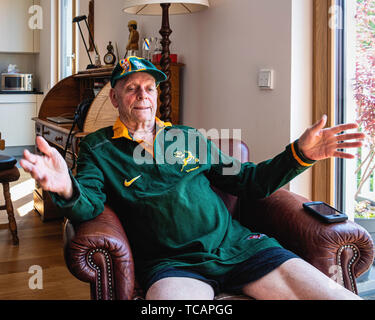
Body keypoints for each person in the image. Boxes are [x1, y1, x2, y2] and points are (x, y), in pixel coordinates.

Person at [21, 56, 365, 300]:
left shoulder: (189, 137)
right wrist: (66, 187)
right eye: (131, 88)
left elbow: (250, 181)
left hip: (241, 248)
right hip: (171, 265)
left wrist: (301, 153)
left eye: (149, 88)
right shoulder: (99, 148)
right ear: (114, 98)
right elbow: (89, 205)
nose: (143, 94)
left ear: (157, 97)